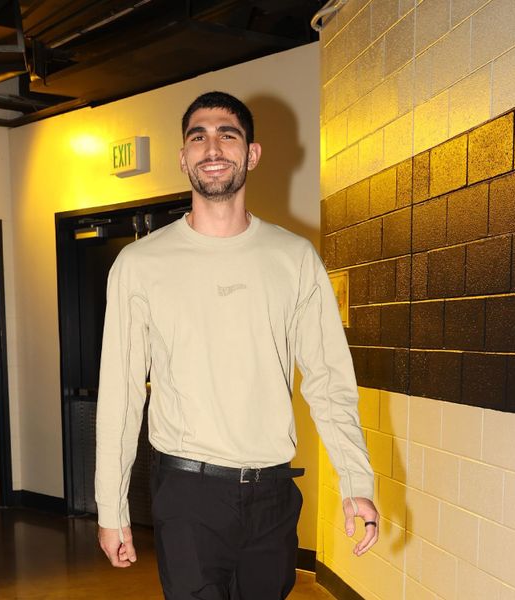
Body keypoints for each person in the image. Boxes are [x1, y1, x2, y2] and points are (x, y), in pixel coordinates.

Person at [95, 91, 378, 599]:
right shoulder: (140, 265)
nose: (213, 147)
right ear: (184, 158)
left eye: (228, 134)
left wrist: (357, 481)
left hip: (273, 493)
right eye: (197, 136)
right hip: (188, 492)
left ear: (251, 154)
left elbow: (330, 381)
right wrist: (110, 508)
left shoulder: (294, 258)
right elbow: (120, 397)